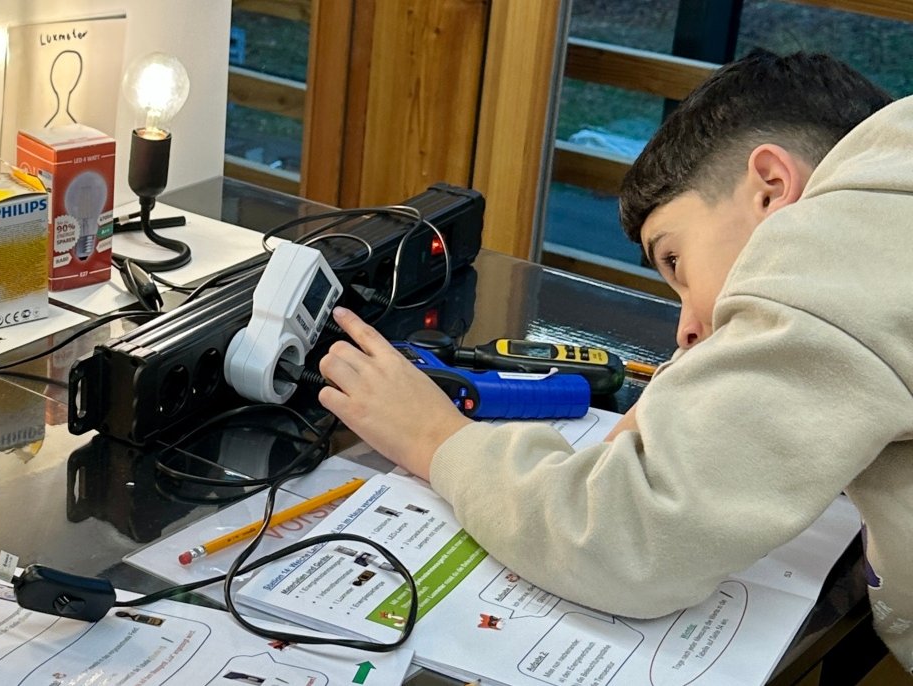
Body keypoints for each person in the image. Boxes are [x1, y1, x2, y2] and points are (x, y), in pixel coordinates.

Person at [316, 49, 913, 671]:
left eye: (676, 260)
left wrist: (433, 437)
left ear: (770, 188)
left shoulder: (838, 248)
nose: (687, 327)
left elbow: (632, 545)